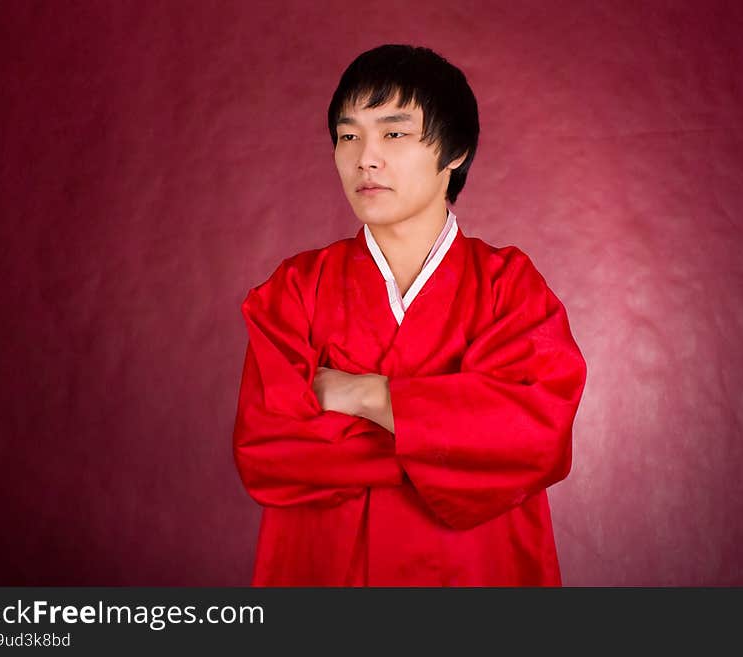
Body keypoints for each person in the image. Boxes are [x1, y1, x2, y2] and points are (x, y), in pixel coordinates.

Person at [231, 44, 587, 586]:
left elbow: (536, 436)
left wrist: (365, 396)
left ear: (456, 151)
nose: (364, 158)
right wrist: (457, 442)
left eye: (394, 134)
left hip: (476, 573)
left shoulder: (509, 289)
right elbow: (269, 450)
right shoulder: (295, 290)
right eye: (349, 136)